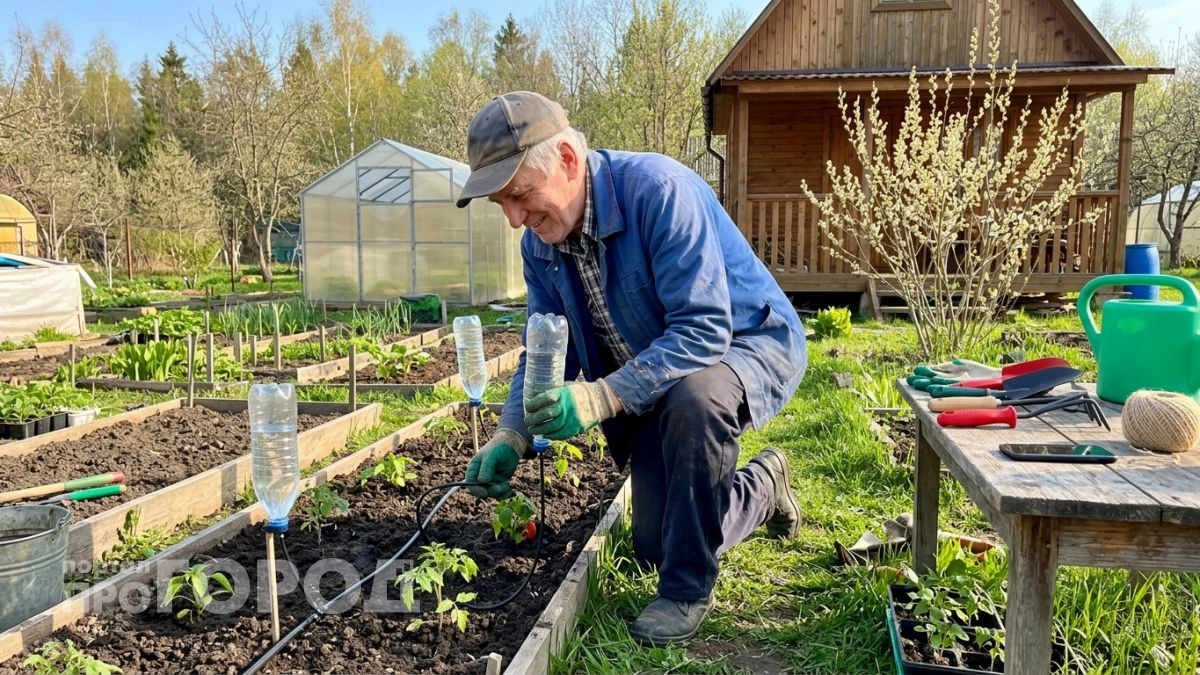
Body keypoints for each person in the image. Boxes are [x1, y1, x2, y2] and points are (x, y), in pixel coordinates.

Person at [455, 91, 808, 647]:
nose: (514, 219)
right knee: (654, 545)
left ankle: (687, 590)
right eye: (502, 203)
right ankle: (764, 488)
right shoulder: (541, 245)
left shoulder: (659, 192)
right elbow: (545, 348)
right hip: (656, 370)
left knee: (698, 400)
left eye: (520, 195)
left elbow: (702, 331)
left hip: (742, 342)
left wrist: (598, 399)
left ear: (568, 160)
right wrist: (511, 432)